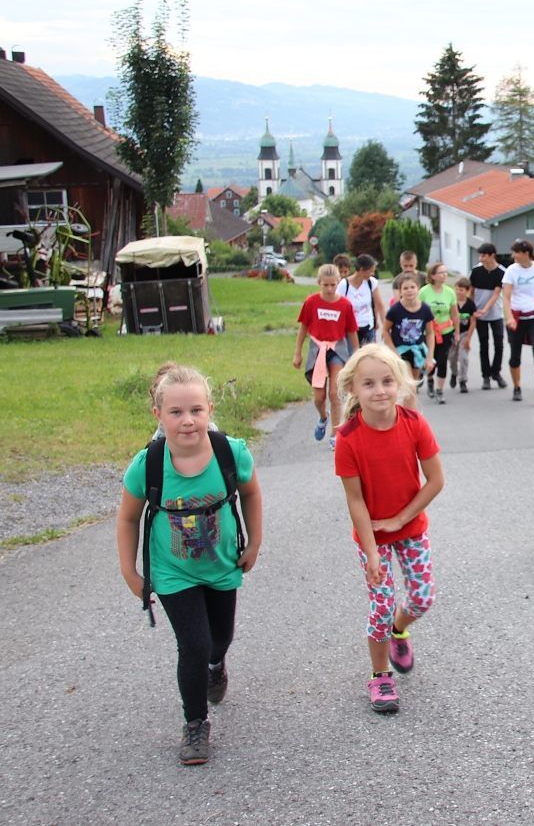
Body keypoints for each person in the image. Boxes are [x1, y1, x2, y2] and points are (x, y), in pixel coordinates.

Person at [116, 364, 263, 765]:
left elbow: (250, 494)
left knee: (220, 639)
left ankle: (218, 664)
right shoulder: (148, 464)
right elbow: (128, 518)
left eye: (196, 410)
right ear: (158, 416)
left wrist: (255, 543)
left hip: (221, 565)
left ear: (209, 409)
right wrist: (131, 572)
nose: (187, 421)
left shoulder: (229, 452)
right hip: (172, 571)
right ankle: (195, 724)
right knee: (193, 645)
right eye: (176, 412)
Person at [334, 345, 445, 713]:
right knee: (380, 606)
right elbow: (355, 502)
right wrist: (370, 551)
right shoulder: (348, 439)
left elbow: (435, 480)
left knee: (422, 597)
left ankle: (400, 630)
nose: (379, 390)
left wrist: (400, 519)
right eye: (369, 384)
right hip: (373, 535)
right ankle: (380, 676)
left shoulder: (414, 424)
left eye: (386, 381)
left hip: (410, 527)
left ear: (399, 383)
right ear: (353, 388)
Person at [294, 264, 359, 449]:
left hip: (337, 349)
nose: (330, 289)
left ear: (338, 282)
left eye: (333, 285)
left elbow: (352, 332)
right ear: (319, 283)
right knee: (319, 397)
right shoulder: (312, 302)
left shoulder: (345, 304)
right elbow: (303, 328)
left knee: (335, 393)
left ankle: (335, 433)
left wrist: (357, 355)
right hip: (317, 349)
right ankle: (323, 417)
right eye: (326, 285)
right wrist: (297, 353)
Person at [502, 239, 534, 403]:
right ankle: (517, 387)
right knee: (515, 356)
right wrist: (509, 317)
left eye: (516, 252)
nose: (513, 255)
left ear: (525, 253)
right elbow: (506, 297)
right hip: (516, 316)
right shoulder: (511, 271)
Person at [384, 273, 435, 389]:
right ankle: (406, 406)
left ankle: (409, 407)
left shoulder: (425, 309)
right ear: (400, 291)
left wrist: (429, 357)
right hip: (401, 350)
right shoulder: (395, 310)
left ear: (418, 288)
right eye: (405, 288)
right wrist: (394, 352)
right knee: (408, 384)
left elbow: (430, 333)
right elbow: (385, 331)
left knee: (413, 385)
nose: (409, 291)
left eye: (412, 287)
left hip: (417, 349)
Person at [418, 262, 459, 404]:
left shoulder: (450, 292)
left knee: (442, 361)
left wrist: (457, 333)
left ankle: (440, 390)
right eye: (441, 272)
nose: (444, 275)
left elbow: (455, 314)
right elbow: (417, 312)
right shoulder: (423, 292)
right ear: (433, 275)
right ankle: (430, 380)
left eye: (446, 272)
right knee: (430, 360)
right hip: (428, 332)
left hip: (445, 331)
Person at [469, 243, 507, 390]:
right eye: (480, 255)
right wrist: (473, 309)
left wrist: (485, 309)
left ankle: (496, 373)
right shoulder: (476, 271)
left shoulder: (501, 272)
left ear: (492, 255)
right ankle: (485, 376)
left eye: (484, 255)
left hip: (496, 314)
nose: (481, 258)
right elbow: (470, 291)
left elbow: (496, 294)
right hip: (479, 315)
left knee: (499, 345)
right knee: (483, 346)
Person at [337, 254, 386, 346]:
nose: (373, 274)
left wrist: (385, 328)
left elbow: (380, 306)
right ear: (361, 270)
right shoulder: (344, 285)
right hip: (350, 330)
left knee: (369, 357)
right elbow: (337, 307)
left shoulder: (371, 282)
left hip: (368, 327)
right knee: (353, 357)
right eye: (371, 271)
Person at [450, 276, 476, 393]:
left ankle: (463, 380)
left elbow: (473, 322)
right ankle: (454, 373)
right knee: (452, 357)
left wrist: (468, 338)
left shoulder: (470, 304)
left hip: (464, 333)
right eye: (457, 289)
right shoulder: (452, 302)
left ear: (467, 291)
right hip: (452, 333)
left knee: (463, 357)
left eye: (462, 290)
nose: (459, 292)